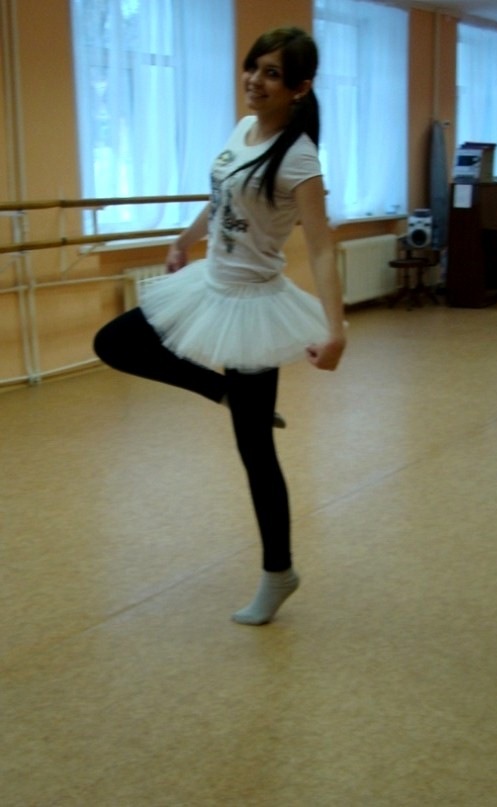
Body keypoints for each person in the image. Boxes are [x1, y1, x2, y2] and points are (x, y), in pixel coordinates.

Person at [93, 27, 346, 625]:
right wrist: (184, 239)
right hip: (208, 283)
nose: (255, 81)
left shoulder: (299, 158)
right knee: (115, 342)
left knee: (255, 451)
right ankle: (223, 390)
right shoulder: (243, 128)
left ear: (300, 87)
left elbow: (322, 246)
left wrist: (336, 329)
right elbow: (221, 197)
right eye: (253, 67)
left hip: (252, 305)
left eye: (272, 74)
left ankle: (279, 574)